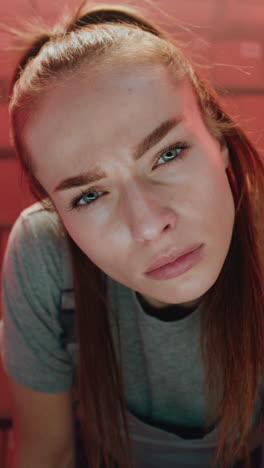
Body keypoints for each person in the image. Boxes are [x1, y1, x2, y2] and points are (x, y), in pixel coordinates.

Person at [1, 1, 264, 467]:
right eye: (88, 196)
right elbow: (44, 453)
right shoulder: (44, 254)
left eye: (168, 154)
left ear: (217, 138)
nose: (148, 224)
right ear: (56, 212)